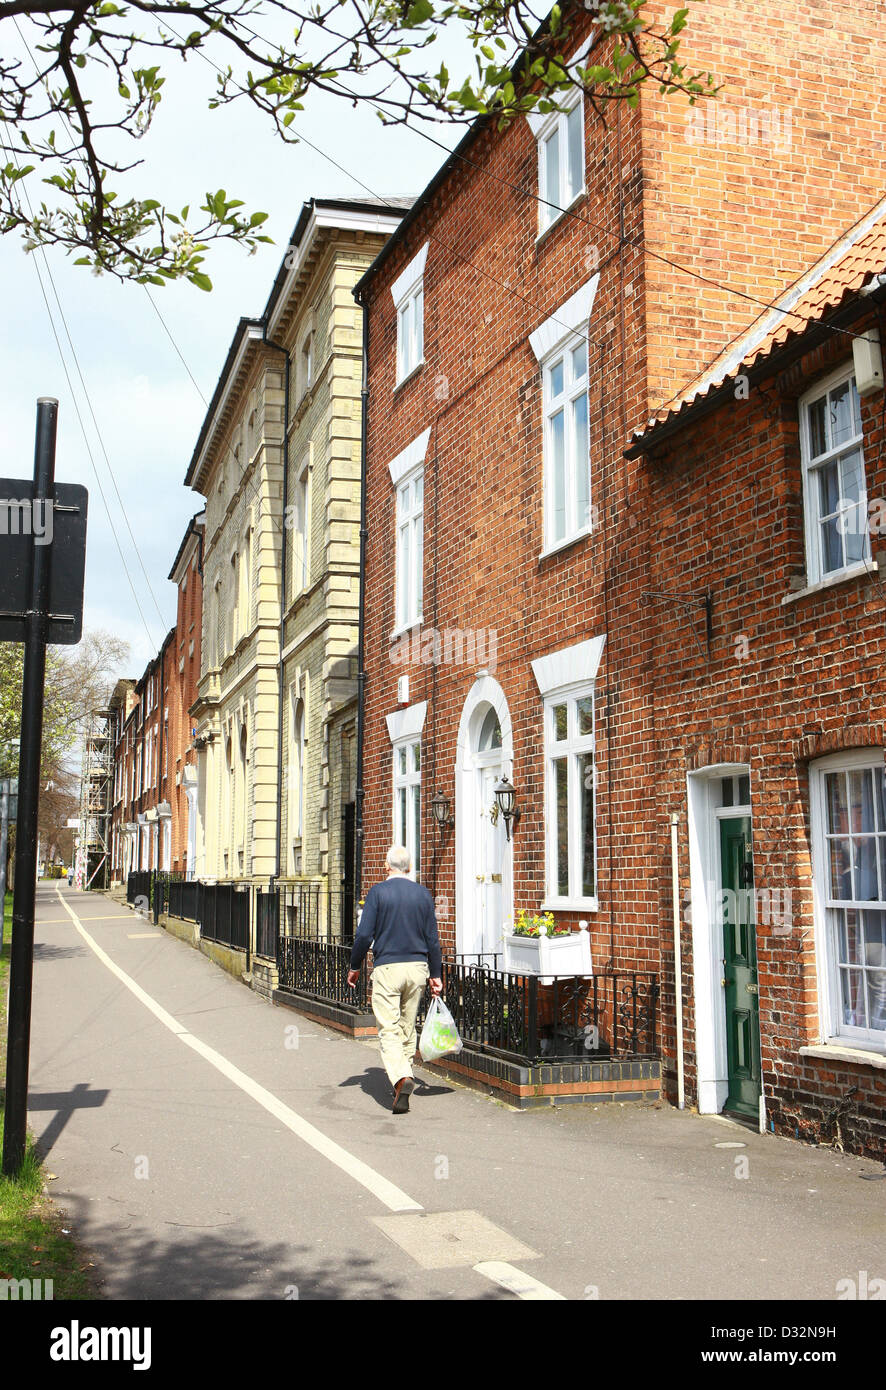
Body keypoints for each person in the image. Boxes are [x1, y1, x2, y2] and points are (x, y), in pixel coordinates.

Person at [347, 845, 442, 1114]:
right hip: (417, 968)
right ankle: (404, 1077)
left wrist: (355, 966)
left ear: (386, 867)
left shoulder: (378, 892)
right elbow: (432, 939)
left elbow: (364, 935)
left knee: (388, 1028)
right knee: (407, 1026)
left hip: (388, 968)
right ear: (410, 868)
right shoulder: (423, 895)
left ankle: (401, 1077)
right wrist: (436, 974)